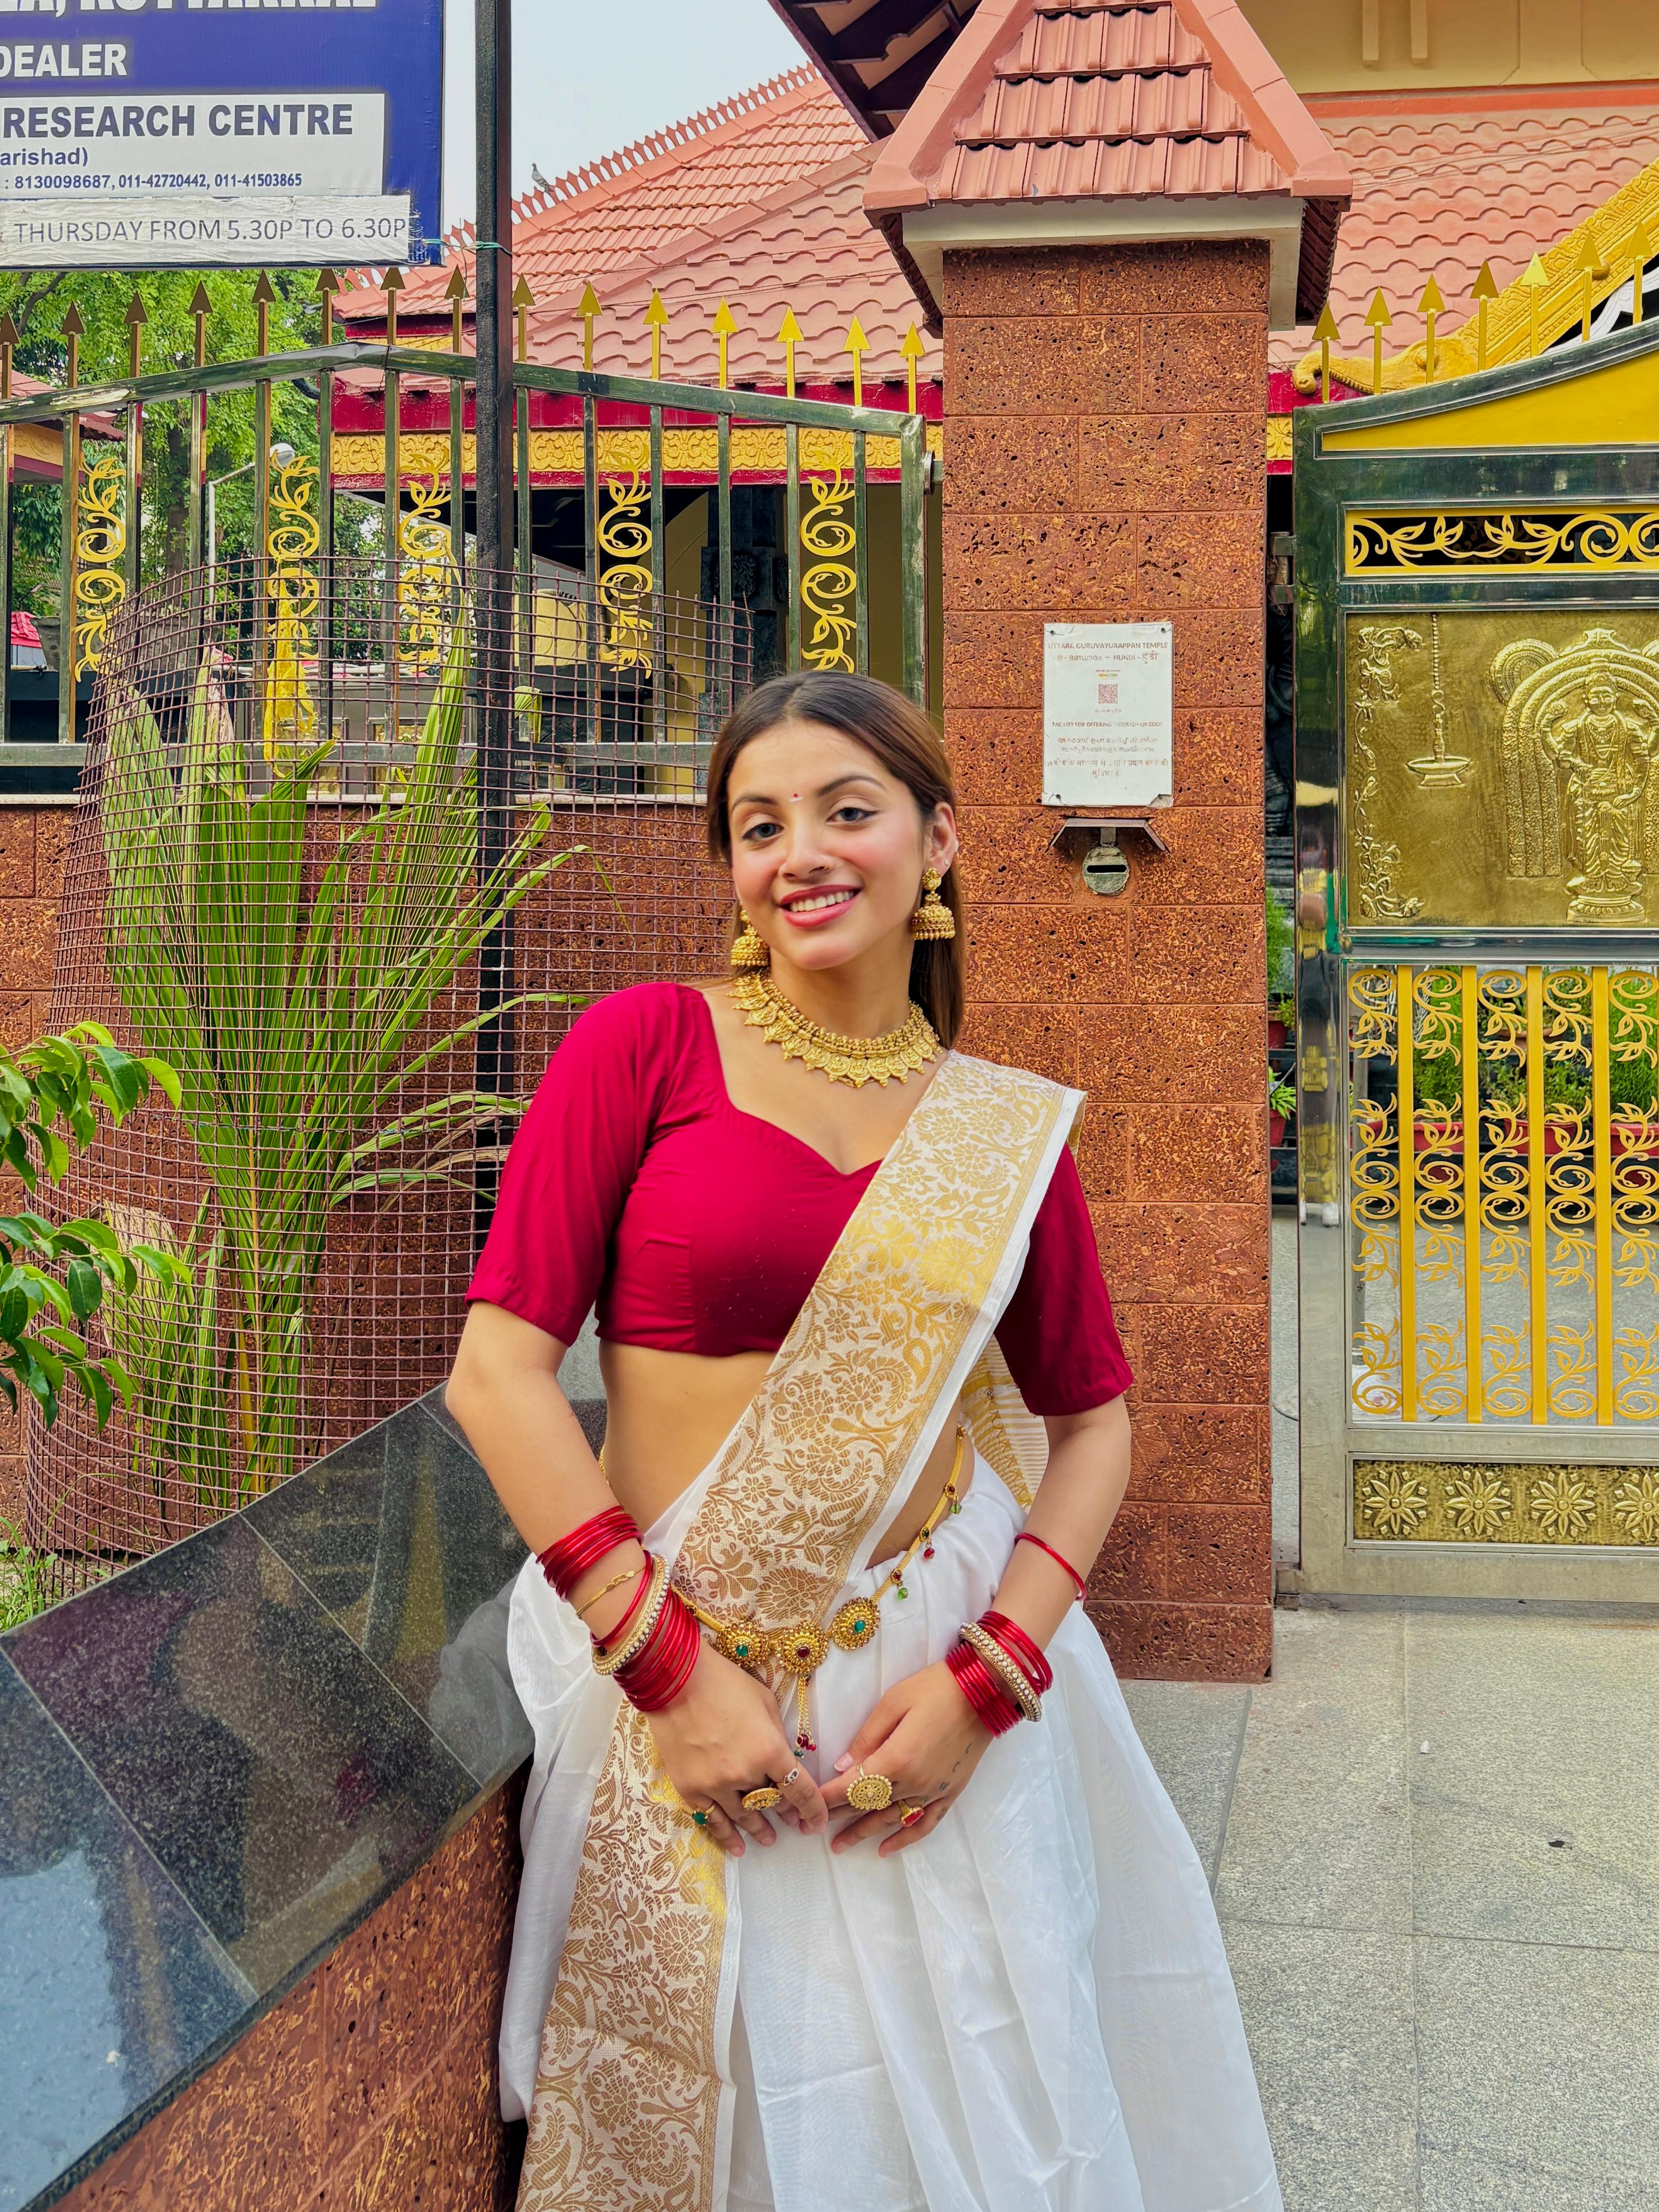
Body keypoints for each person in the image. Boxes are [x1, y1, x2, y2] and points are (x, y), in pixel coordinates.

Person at [446, 671, 1280, 2212]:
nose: (801, 853)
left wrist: (990, 1683)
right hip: (668, 1663)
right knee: (734, 2105)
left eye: (847, 810)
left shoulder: (999, 1128)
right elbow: (496, 1380)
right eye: (759, 826)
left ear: (938, 841)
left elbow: (1093, 1427)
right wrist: (676, 1682)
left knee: (979, 2099)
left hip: (930, 1683)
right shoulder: (648, 1047)